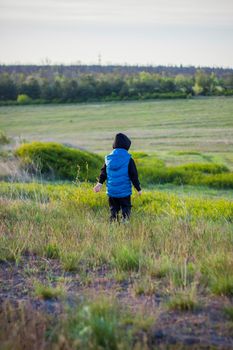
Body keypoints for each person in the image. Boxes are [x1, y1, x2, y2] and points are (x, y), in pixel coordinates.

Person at [93, 133, 142, 222]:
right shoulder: (128, 159)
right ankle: (125, 224)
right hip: (124, 192)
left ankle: (113, 225)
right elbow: (133, 175)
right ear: (126, 146)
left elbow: (103, 173)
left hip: (112, 191)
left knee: (113, 210)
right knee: (126, 208)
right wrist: (138, 188)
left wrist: (99, 184)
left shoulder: (108, 159)